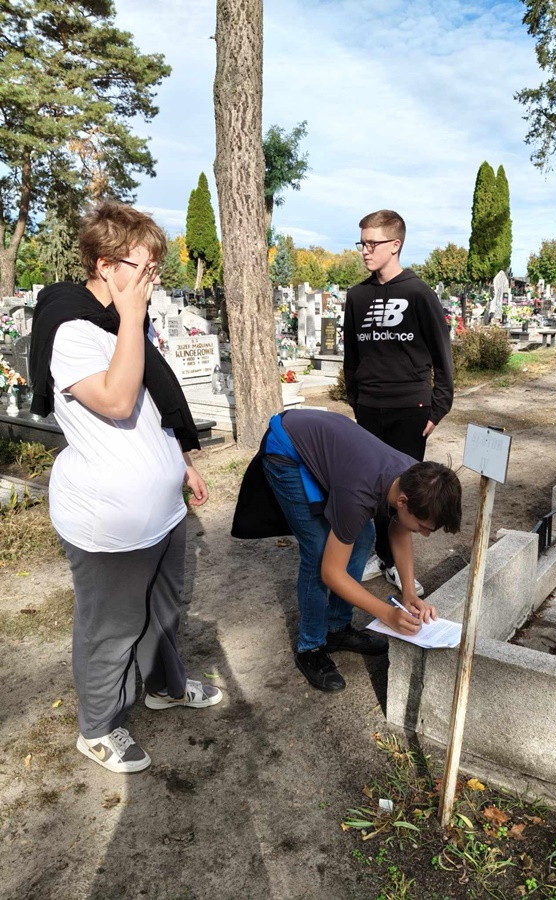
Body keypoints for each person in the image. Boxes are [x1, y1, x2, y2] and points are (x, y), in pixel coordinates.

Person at [29, 202, 222, 775]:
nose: (152, 279)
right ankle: (98, 728)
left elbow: (148, 406)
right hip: (108, 519)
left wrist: (180, 460)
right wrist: (134, 318)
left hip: (161, 510)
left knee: (166, 609)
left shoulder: (122, 323)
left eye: (156, 269)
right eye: (144, 268)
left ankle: (164, 686)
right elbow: (114, 399)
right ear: (106, 265)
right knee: (110, 629)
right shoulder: (73, 329)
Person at [232, 410, 462, 692]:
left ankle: (337, 629)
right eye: (424, 527)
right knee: (318, 552)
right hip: (287, 447)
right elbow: (331, 573)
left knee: (363, 536)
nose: (425, 534)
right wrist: (387, 614)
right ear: (402, 501)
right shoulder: (360, 493)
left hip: (333, 451)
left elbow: (400, 530)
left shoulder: (417, 479)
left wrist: (409, 595)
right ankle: (311, 647)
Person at [343, 209, 454, 597]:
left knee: (405, 489)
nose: (365, 250)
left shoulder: (419, 293)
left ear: (396, 244)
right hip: (369, 409)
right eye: (362, 242)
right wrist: (357, 402)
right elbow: (352, 358)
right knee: (371, 486)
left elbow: (443, 356)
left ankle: (395, 562)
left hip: (411, 409)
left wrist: (438, 408)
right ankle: (380, 553)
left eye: (373, 243)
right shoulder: (357, 296)